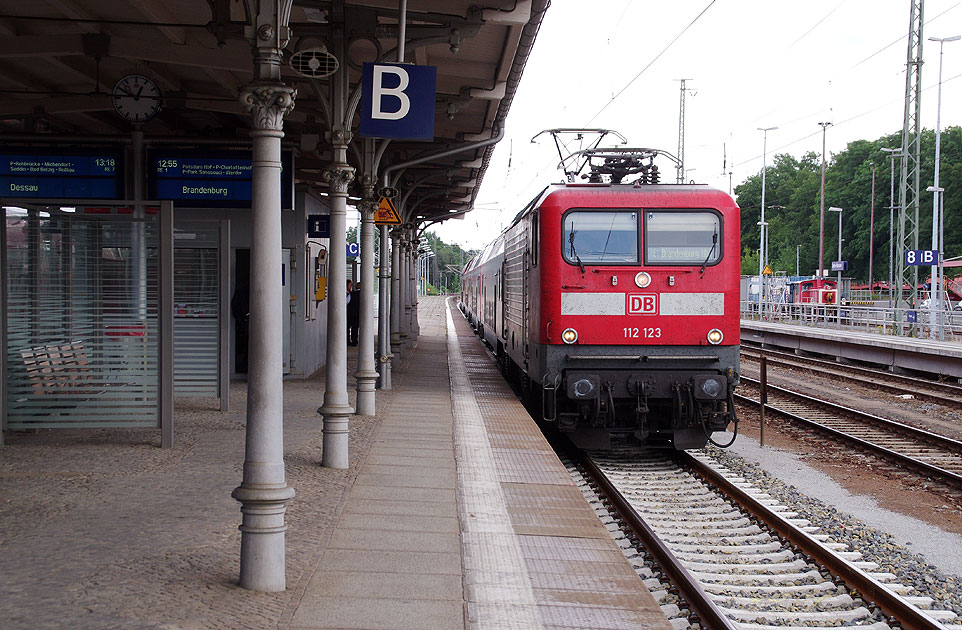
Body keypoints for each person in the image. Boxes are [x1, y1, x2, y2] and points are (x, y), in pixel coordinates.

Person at [347, 281, 361, 346]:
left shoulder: (352, 294)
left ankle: (347, 340)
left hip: (350, 313)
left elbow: (347, 302)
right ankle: (354, 341)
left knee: (347, 328)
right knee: (355, 328)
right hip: (358, 314)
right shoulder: (364, 295)